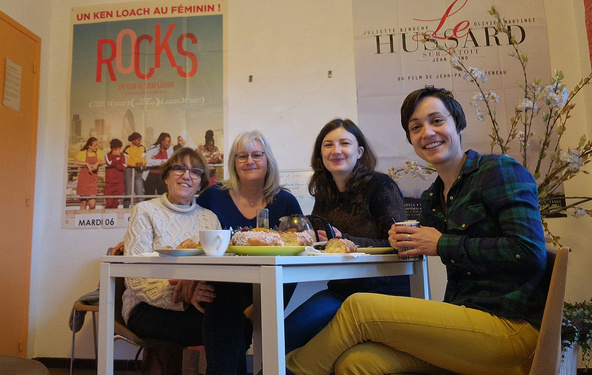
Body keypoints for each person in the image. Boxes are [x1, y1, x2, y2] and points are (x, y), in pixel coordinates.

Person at [286, 87, 547, 375]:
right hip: (463, 316)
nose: (427, 133)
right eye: (416, 127)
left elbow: (530, 252)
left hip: (510, 327)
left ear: (457, 123)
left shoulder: (499, 170)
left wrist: (441, 243)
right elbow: (410, 247)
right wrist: (401, 241)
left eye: (437, 121)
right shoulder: (433, 197)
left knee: (357, 308)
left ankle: (286, 371)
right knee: (356, 362)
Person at [284, 119, 409, 354]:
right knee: (286, 334)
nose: (336, 150)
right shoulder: (325, 192)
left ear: (360, 151)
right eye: (328, 144)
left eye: (345, 143)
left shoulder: (381, 185)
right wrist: (315, 241)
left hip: (385, 291)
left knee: (320, 349)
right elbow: (326, 245)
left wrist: (346, 241)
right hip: (342, 291)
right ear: (320, 153)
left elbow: (400, 244)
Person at [194, 130, 303, 375]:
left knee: (228, 327)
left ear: (268, 160)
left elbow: (300, 253)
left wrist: (264, 304)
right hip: (221, 289)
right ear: (233, 162)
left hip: (269, 291)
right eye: (241, 156)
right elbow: (187, 232)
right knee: (224, 312)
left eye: (256, 155)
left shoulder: (285, 202)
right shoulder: (213, 196)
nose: (249, 161)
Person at [122, 148, 220, 373]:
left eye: (195, 172)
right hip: (144, 307)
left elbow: (217, 267)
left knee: (235, 324)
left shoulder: (209, 218)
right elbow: (135, 278)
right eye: (179, 168)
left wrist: (195, 290)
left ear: (200, 183)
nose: (186, 176)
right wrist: (183, 294)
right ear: (166, 176)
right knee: (222, 329)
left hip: (197, 303)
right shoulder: (144, 211)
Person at [73, 137, 105, 210]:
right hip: (83, 180)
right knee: (83, 203)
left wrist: (97, 163)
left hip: (93, 181)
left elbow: (104, 161)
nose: (96, 147)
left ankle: (91, 218)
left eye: (97, 145)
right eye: (94, 145)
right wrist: (86, 164)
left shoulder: (98, 152)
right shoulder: (83, 152)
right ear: (89, 146)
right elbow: (75, 162)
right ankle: (82, 219)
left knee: (92, 204)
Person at [123, 132, 146, 208]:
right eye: (139, 140)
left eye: (140, 140)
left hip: (138, 172)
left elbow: (143, 159)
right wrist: (136, 163)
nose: (140, 142)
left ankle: (141, 210)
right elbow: (127, 160)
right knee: (128, 193)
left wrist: (141, 163)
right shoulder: (127, 148)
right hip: (129, 171)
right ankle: (125, 210)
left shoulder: (142, 148)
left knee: (140, 193)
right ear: (133, 141)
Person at [104, 138, 126, 209]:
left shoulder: (123, 155)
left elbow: (124, 166)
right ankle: (107, 217)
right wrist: (118, 161)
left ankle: (114, 219)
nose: (120, 151)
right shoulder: (107, 155)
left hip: (119, 183)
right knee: (109, 203)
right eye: (119, 149)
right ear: (114, 149)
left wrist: (115, 163)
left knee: (116, 203)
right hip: (109, 183)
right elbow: (109, 163)